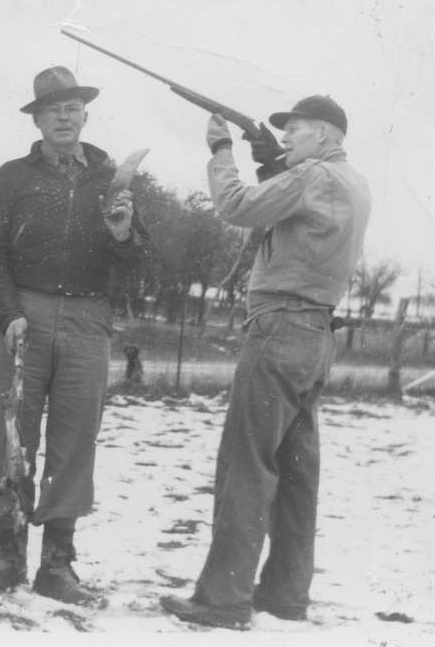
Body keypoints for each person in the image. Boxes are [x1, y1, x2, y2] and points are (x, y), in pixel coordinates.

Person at [161, 96, 371, 629]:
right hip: (315, 335)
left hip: (278, 328)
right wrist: (275, 164)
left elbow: (234, 205)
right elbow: (300, 216)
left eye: (294, 131)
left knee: (246, 465)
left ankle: (222, 599)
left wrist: (220, 149)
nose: (285, 139)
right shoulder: (350, 181)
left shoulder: (313, 176)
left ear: (324, 135)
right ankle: (284, 595)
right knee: (297, 474)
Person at [0, 66, 147, 605]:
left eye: (72, 108)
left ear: (85, 115)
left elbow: (137, 263)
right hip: (23, 314)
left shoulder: (110, 178)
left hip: (88, 320)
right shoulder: (10, 177)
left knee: (75, 440)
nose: (63, 117)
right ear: (38, 118)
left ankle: (57, 563)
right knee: (11, 437)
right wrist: (7, 313)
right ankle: (8, 554)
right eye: (53, 109)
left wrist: (122, 233)